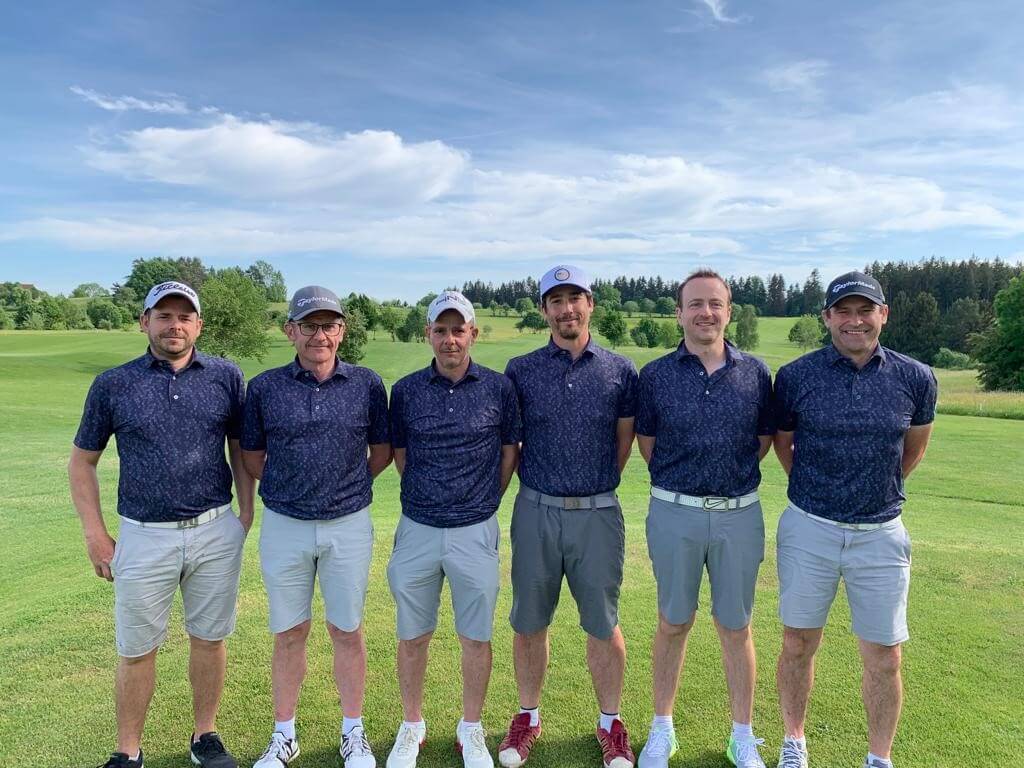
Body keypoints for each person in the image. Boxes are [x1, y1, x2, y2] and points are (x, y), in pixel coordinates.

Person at [69, 280, 254, 768]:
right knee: (136, 648)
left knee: (209, 639)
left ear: (199, 325)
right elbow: (82, 462)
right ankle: (128, 750)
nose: (175, 326)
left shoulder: (226, 376)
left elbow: (240, 447)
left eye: (184, 317)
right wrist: (95, 534)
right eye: (164, 316)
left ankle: (205, 735)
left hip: (214, 529)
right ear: (144, 322)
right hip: (143, 535)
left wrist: (245, 513)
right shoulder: (114, 384)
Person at [772, 271, 937, 768]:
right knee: (798, 642)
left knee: (885, 654)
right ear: (827, 318)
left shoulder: (916, 377)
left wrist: (872, 489)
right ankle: (794, 742)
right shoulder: (796, 376)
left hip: (881, 534)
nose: (855, 320)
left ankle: (878, 758)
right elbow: (784, 445)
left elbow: (912, 451)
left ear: (883, 314)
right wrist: (819, 489)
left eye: (865, 310)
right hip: (809, 527)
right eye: (843, 311)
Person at [241, 286, 391, 768]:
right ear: (291, 331)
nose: (319, 335)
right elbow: (252, 456)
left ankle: (354, 732)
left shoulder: (367, 384)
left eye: (329, 325)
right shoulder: (265, 387)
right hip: (285, 526)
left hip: (348, 524)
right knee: (289, 632)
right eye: (309, 326)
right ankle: (284, 735)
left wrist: (343, 486)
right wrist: (292, 488)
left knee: (347, 629)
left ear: (341, 331)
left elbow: (381, 452)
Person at [498, 264, 639, 768]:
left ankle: (610, 724)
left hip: (598, 513)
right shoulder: (521, 369)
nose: (566, 309)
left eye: (574, 298)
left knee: (603, 623)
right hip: (535, 510)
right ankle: (528, 717)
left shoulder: (620, 370)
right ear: (544, 310)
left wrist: (590, 486)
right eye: (555, 301)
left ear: (590, 304)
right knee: (529, 621)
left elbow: (623, 443)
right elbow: (512, 443)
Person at [634, 269, 775, 768]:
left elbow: (761, 442)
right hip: (675, 513)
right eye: (695, 304)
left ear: (729, 312)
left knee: (736, 626)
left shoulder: (755, 373)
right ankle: (662, 730)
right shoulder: (655, 376)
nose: (706, 312)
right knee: (673, 622)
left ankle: (743, 736)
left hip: (739, 514)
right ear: (679, 313)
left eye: (715, 303)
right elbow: (649, 444)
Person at [385, 291, 520, 768]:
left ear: (473, 334)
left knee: (475, 637)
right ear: (428, 334)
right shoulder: (405, 391)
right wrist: (431, 495)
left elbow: (509, 451)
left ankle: (471, 728)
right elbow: (401, 454)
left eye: (457, 330)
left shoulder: (499, 388)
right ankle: (412, 725)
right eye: (440, 331)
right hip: (417, 528)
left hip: (475, 530)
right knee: (413, 635)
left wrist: (482, 499)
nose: (449, 340)